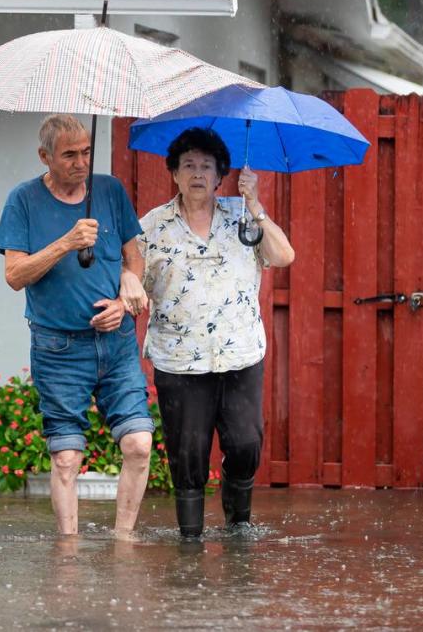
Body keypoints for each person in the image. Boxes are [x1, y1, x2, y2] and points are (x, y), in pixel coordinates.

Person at [0, 114, 154, 537]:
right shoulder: (23, 200)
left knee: (138, 444)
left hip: (116, 341)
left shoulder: (111, 191)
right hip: (58, 347)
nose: (81, 162)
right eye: (69, 155)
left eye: (86, 152)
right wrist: (67, 241)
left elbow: (132, 257)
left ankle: (124, 540)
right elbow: (15, 275)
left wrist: (125, 294)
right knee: (66, 458)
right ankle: (67, 555)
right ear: (44, 156)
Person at [138, 127, 295, 538]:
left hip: (239, 354)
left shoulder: (241, 218)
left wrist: (256, 204)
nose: (196, 174)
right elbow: (131, 279)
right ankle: (189, 540)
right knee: (187, 454)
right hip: (180, 359)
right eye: (187, 165)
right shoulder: (152, 227)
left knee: (245, 444)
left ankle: (237, 526)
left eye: (206, 166)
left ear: (220, 174)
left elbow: (284, 255)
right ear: (173, 172)